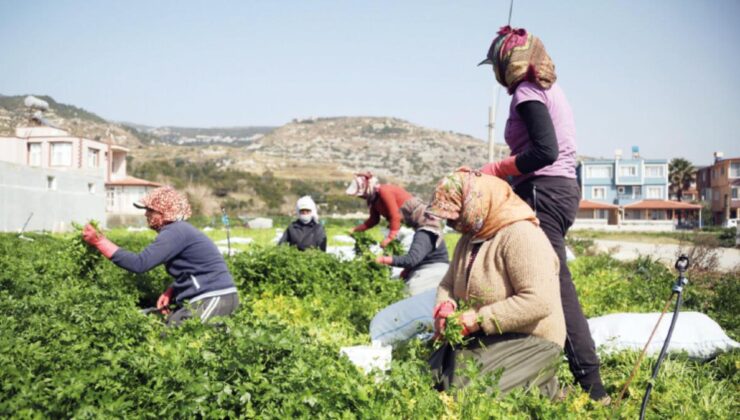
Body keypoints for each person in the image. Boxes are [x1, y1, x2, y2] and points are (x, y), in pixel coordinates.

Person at [477, 26, 608, 401]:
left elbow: (545, 152)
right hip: (560, 190)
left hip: (543, 192)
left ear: (508, 62)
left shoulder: (526, 92)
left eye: (496, 65)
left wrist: (497, 169)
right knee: (535, 279)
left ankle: (592, 388)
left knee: (553, 288)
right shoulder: (548, 87)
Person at [427, 169, 565, 399]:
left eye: (455, 214)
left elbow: (539, 301)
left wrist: (478, 318)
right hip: (488, 335)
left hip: (531, 339)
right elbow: (448, 284)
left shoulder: (521, 235)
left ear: (475, 204)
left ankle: (545, 387)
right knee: (432, 375)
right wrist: (445, 308)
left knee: (468, 394)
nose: (452, 223)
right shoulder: (470, 239)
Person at [81, 186, 239, 327]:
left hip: (212, 297)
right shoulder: (178, 231)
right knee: (170, 335)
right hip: (213, 297)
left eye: (150, 210)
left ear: (164, 212)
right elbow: (193, 268)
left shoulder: (174, 231)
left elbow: (139, 263)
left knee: (181, 343)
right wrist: (172, 290)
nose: (146, 214)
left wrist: (99, 241)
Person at [374, 197, 449, 296]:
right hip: (436, 270)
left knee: (408, 296)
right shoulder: (429, 229)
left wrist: (384, 260)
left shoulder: (424, 233)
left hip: (432, 273)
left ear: (414, 215)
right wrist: (406, 272)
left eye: (406, 216)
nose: (405, 220)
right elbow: (419, 257)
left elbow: (411, 260)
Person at [346, 172, 412, 248]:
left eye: (362, 195)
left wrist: (390, 238)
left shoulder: (384, 192)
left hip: (415, 221)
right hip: (403, 224)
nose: (362, 197)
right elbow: (374, 220)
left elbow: (395, 215)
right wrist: (355, 230)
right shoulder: (373, 200)